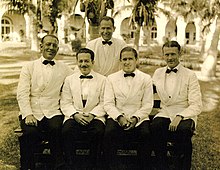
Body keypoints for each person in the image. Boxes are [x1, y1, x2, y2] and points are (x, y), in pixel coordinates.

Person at [17, 34, 73, 170]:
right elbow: (22, 93)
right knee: (30, 133)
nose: (51, 48)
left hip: (53, 110)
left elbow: (78, 79)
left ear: (58, 49)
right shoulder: (29, 67)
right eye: (48, 44)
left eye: (54, 45)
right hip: (32, 111)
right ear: (41, 47)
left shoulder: (64, 68)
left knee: (56, 129)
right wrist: (28, 114)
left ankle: (58, 164)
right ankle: (27, 166)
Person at [151, 40, 202, 170]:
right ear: (163, 55)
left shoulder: (190, 75)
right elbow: (146, 90)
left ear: (180, 54)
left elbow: (196, 104)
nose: (170, 58)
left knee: (183, 130)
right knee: (156, 126)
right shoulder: (158, 73)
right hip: (165, 111)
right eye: (167, 55)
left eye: (173, 54)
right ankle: (162, 164)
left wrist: (180, 116)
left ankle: (182, 165)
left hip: (184, 112)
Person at [103, 47, 153, 169]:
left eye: (130, 58)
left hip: (139, 118)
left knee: (146, 134)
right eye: (124, 59)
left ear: (136, 60)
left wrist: (136, 118)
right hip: (117, 117)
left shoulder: (146, 78)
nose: (127, 62)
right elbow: (108, 103)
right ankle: (111, 166)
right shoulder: (111, 78)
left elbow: (148, 104)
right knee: (108, 133)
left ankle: (142, 166)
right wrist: (119, 118)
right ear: (120, 61)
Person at [61, 48, 106, 170]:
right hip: (74, 115)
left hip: (95, 116)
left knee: (98, 132)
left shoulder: (102, 80)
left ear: (93, 62)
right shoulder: (69, 80)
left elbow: (104, 102)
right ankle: (71, 164)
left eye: (87, 61)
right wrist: (75, 114)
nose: (83, 64)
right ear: (77, 62)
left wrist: (92, 115)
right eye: (80, 61)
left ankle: (94, 164)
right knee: (66, 131)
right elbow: (65, 102)